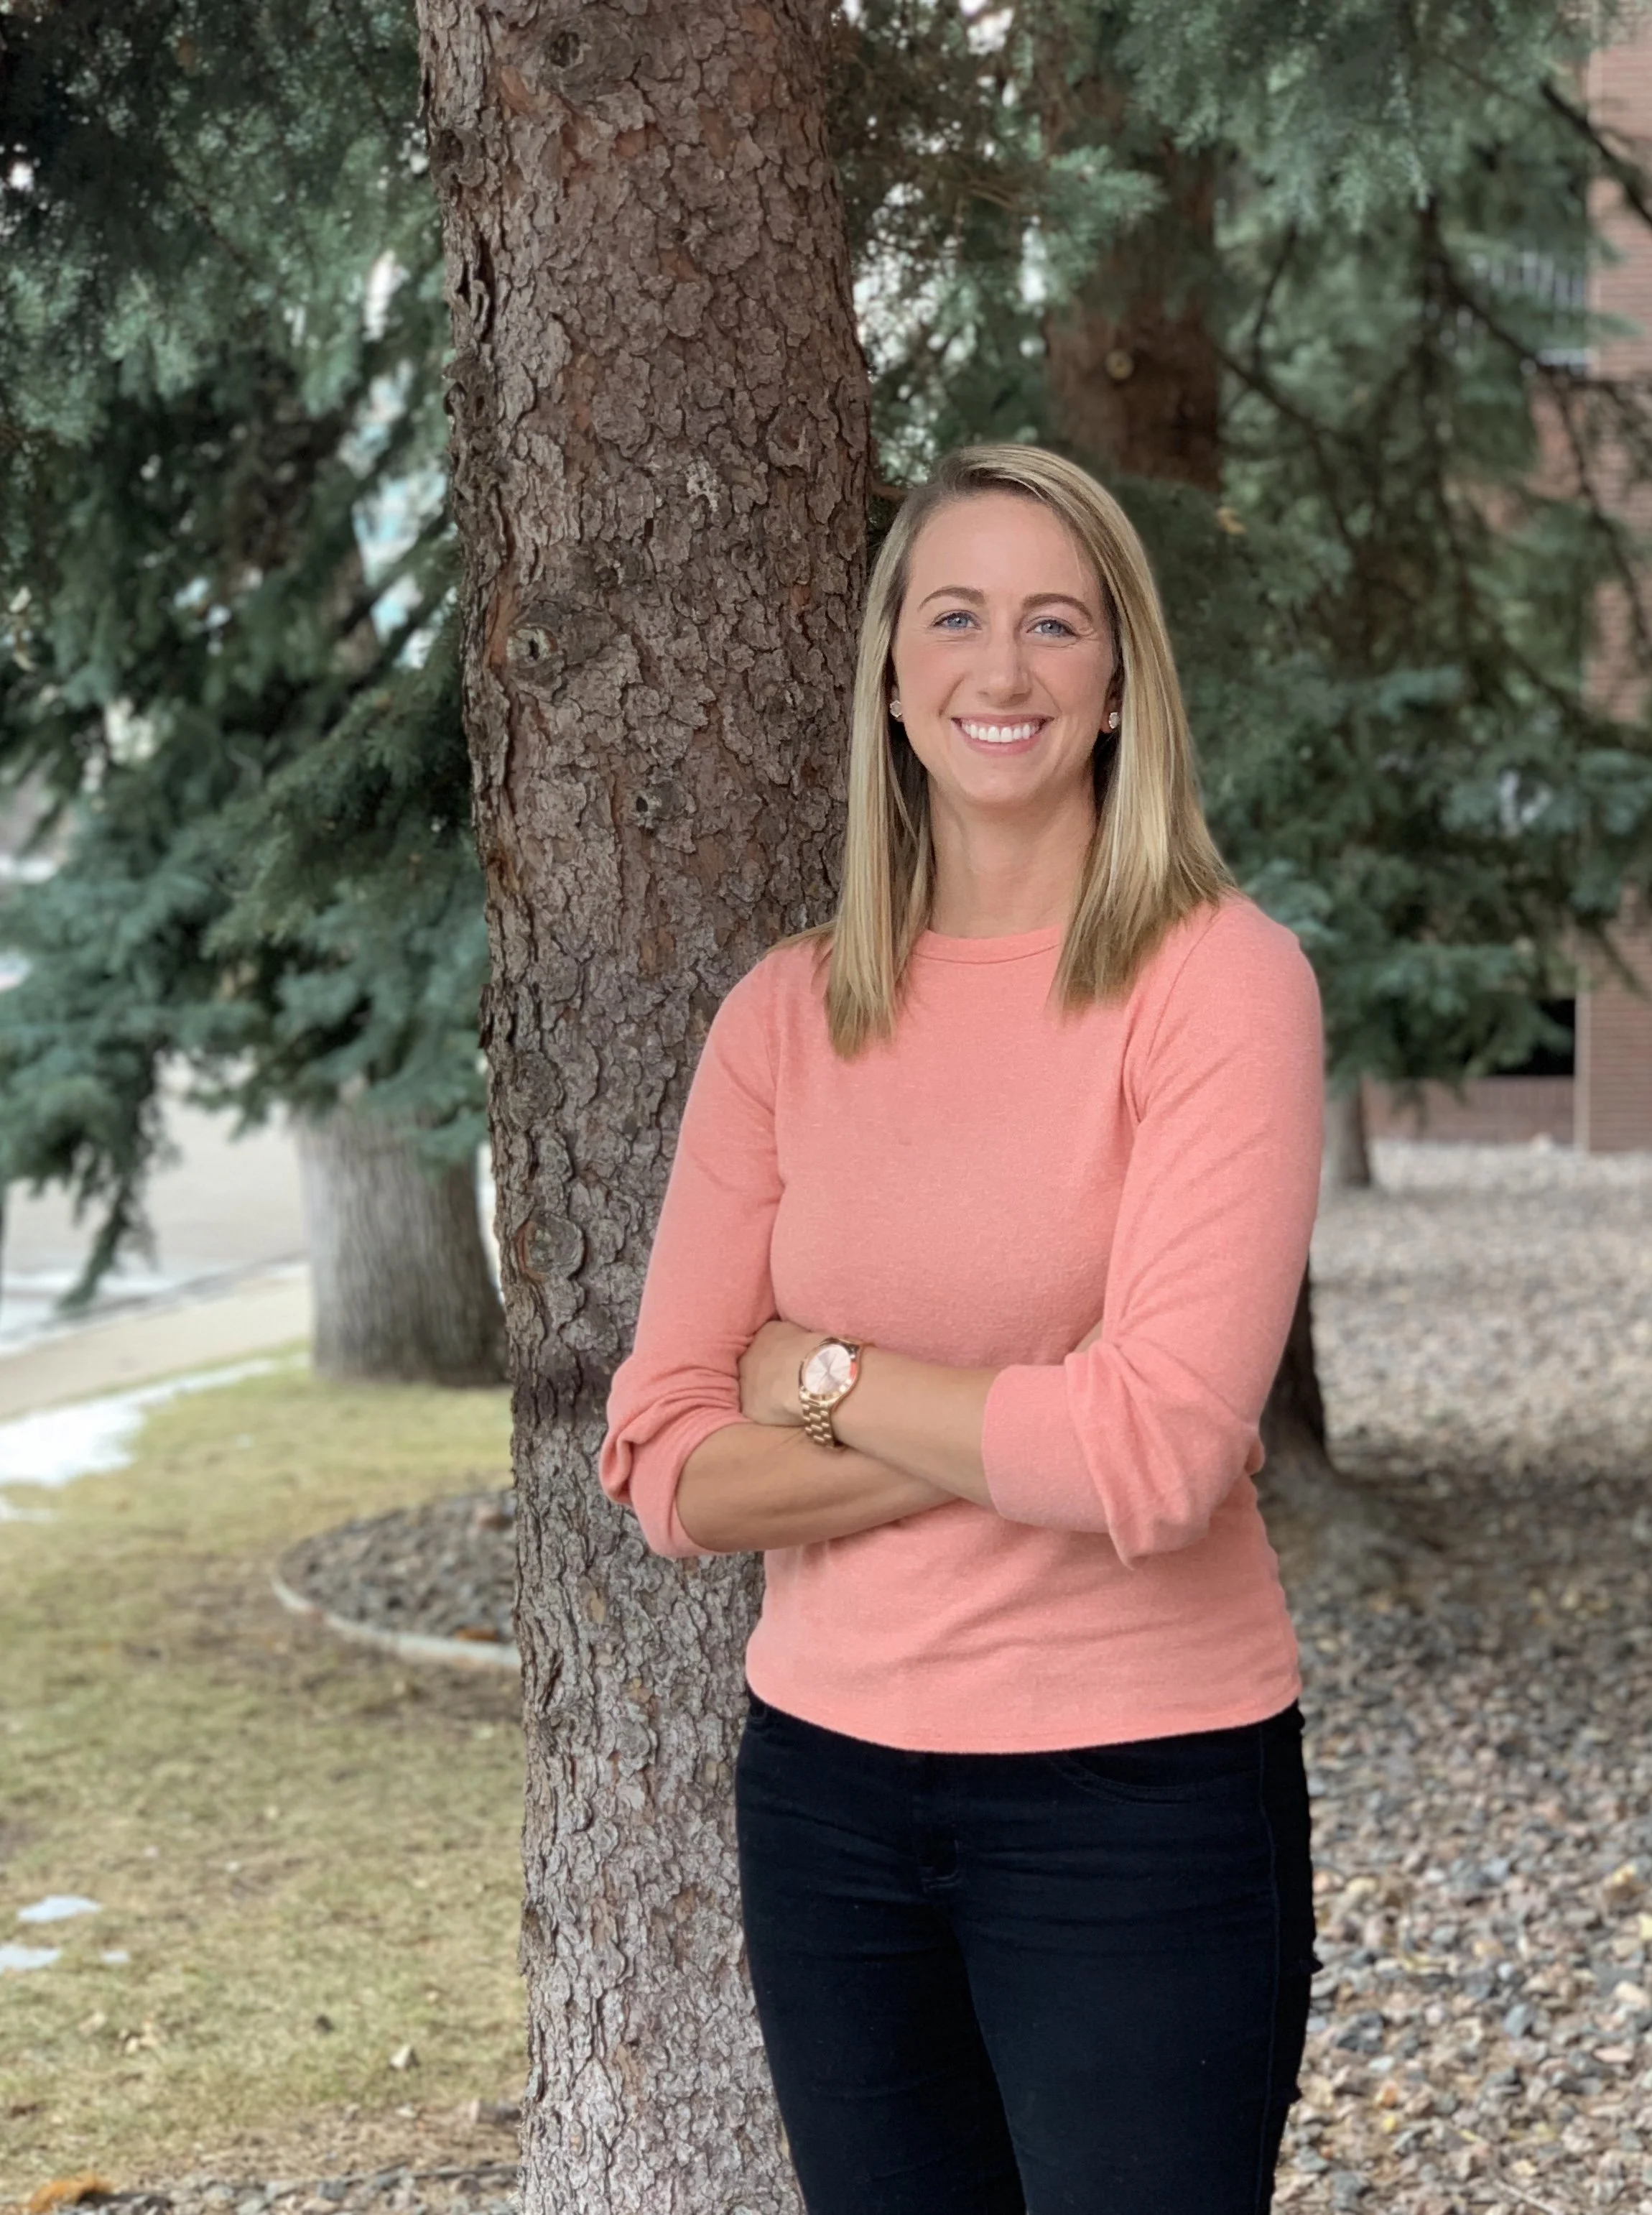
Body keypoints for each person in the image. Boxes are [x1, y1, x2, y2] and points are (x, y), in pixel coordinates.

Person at [599, 443, 1324, 2215]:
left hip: (1135, 1799)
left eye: (1054, 623)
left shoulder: (1218, 980)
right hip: (828, 1802)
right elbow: (667, 1461)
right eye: (956, 617)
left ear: (1116, 679)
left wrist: (827, 1383)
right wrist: (1027, 1429)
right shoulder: (783, 1014)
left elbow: (1157, 1458)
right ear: (892, 674)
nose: (1001, 672)